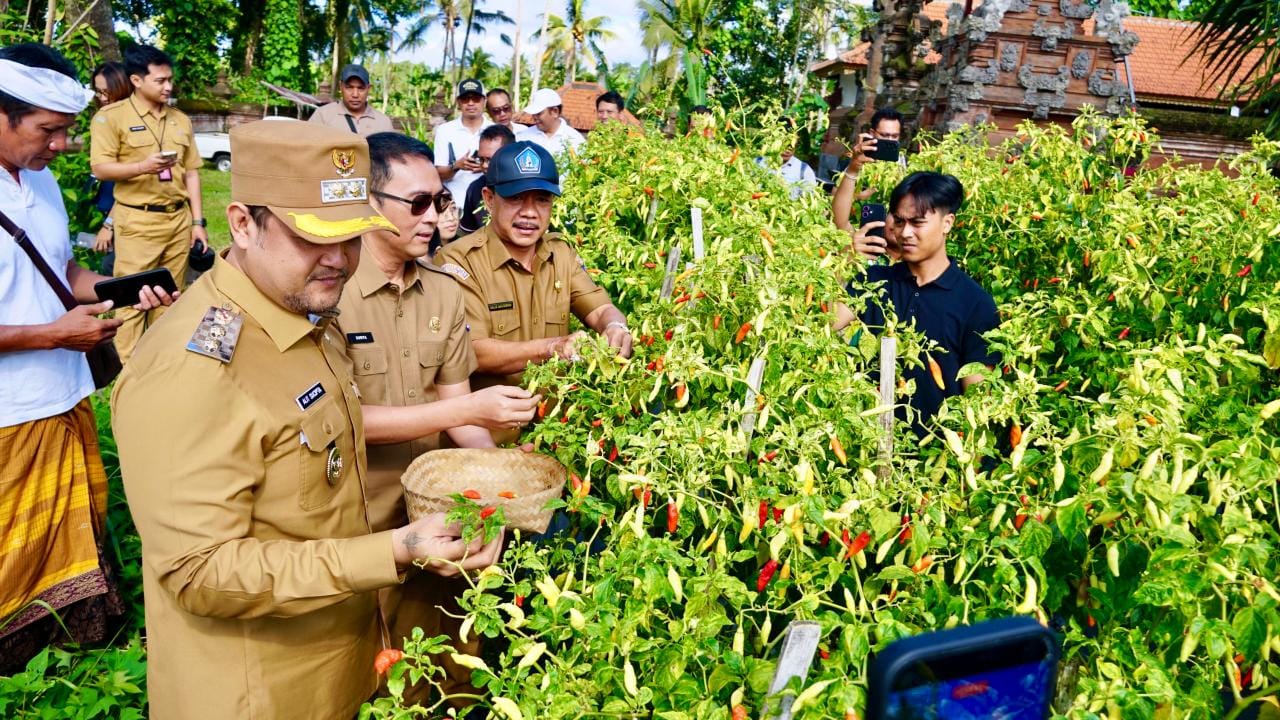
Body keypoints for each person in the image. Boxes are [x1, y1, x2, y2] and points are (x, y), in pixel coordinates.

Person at [110, 120, 504, 720]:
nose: (339, 261)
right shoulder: (194, 371)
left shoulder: (305, 315)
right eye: (311, 238)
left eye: (352, 238)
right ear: (243, 224)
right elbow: (199, 571)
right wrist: (392, 551)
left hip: (342, 661)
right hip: (264, 691)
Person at [336, 131, 539, 704]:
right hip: (356, 511)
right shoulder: (333, 292)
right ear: (370, 203)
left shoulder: (444, 293)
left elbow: (459, 413)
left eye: (441, 201)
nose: (434, 217)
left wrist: (501, 475)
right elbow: (343, 420)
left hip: (434, 505)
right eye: (418, 203)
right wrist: (466, 408)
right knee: (363, 667)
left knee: (439, 656)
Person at [0, 42, 176, 675]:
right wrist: (51, 335)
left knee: (71, 529)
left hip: (62, 392)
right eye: (47, 130)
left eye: (65, 131)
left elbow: (62, 269)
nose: (60, 145)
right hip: (9, 410)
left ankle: (67, 645)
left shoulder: (41, 180)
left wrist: (118, 288)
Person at [434, 141, 631, 445]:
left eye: (541, 200)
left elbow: (600, 309)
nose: (529, 213)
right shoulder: (459, 261)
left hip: (558, 433)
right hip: (488, 440)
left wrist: (616, 326)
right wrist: (553, 347)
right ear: (489, 199)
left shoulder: (560, 253)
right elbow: (474, 352)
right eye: (515, 198)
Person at [834, 172, 998, 431]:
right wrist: (846, 260)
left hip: (933, 447)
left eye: (917, 222)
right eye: (899, 221)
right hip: (864, 440)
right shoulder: (874, 281)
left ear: (947, 223)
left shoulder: (975, 303)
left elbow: (977, 401)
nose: (905, 233)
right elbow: (823, 323)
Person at [89, 44, 207, 363]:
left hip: (178, 220)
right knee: (132, 299)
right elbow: (100, 168)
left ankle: (159, 363)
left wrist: (198, 223)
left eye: (170, 79)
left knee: (169, 296)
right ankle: (127, 369)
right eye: (160, 81)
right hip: (138, 222)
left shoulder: (180, 120)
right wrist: (142, 167)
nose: (168, 86)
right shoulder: (111, 118)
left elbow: (192, 173)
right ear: (137, 80)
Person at [833, 107, 906, 234]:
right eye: (884, 135)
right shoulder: (858, 159)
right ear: (872, 133)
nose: (889, 140)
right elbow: (835, 196)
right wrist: (858, 196)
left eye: (894, 136)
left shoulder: (902, 163)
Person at [89, 61, 131, 273]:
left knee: (114, 270)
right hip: (111, 210)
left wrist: (109, 225)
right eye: (99, 92)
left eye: (108, 92)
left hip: (127, 216)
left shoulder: (131, 126)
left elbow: (131, 185)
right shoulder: (106, 121)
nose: (103, 98)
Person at [434, 78, 492, 203]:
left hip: (487, 203)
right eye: (465, 99)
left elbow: (506, 170)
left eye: (476, 98)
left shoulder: (495, 130)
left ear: (484, 101)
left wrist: (486, 167)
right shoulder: (445, 131)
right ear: (458, 102)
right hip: (455, 202)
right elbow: (438, 174)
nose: (470, 103)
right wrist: (457, 166)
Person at [458, 123, 515, 236]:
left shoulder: (528, 186)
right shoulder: (475, 189)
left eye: (490, 160)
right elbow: (468, 235)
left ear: (509, 155)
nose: (484, 165)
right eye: (481, 159)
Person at [308, 63, 394, 136]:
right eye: (349, 87)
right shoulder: (323, 116)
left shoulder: (383, 122)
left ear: (368, 88)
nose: (355, 95)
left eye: (361, 88)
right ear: (340, 87)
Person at [517, 88, 585, 157]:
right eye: (534, 114)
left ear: (555, 112)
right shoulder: (523, 137)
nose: (534, 117)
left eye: (539, 113)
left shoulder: (575, 140)